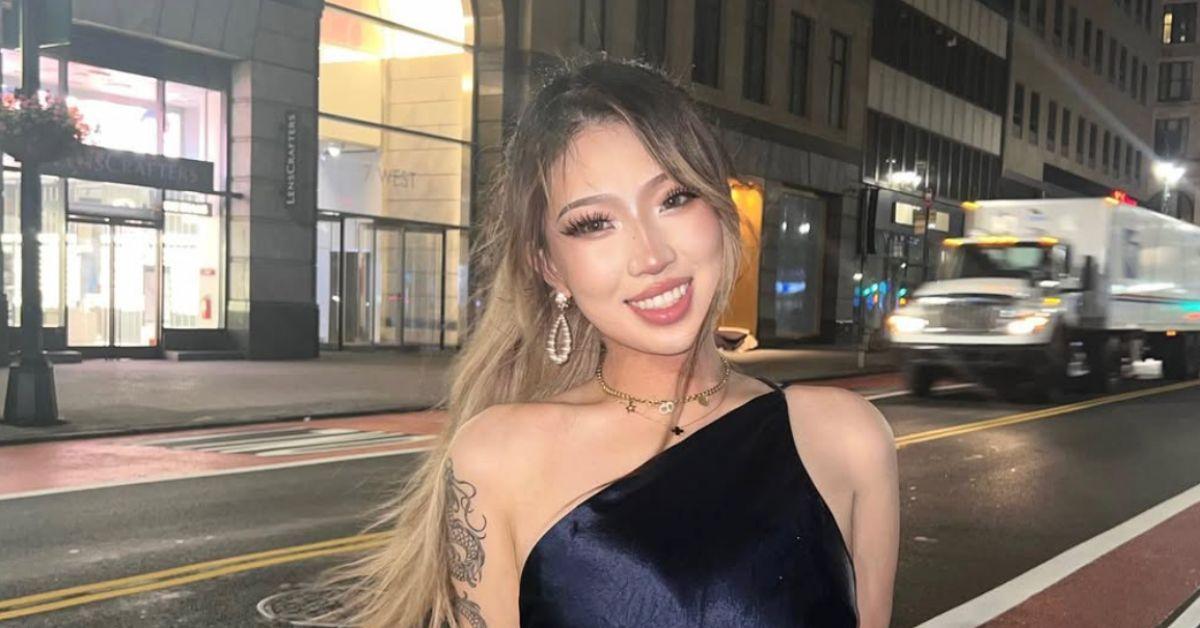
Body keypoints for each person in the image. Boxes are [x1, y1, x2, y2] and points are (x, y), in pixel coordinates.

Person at [330, 57, 899, 628]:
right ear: (550, 266)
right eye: (593, 223)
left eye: (673, 198)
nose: (651, 255)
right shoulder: (497, 458)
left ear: (719, 205)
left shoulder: (846, 438)